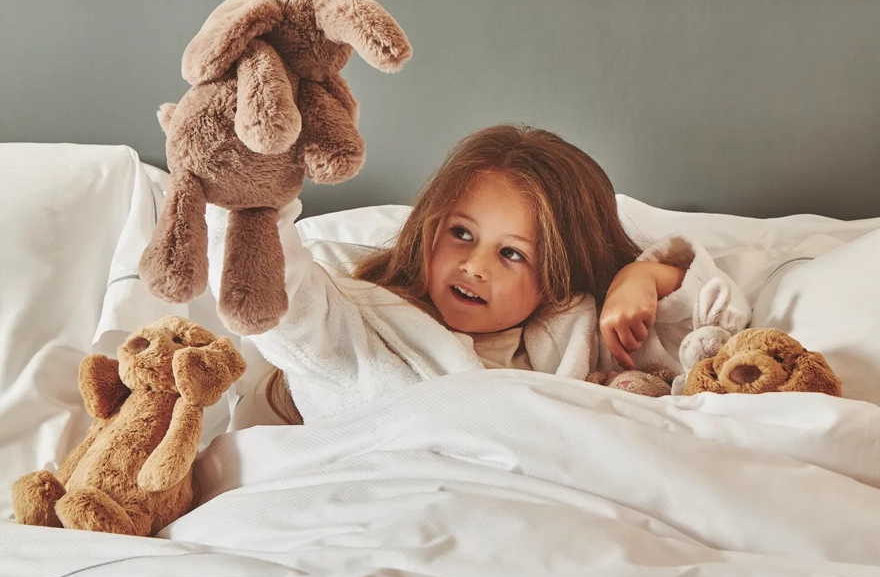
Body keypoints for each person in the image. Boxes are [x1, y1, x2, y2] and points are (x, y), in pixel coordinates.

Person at [205, 124, 749, 424]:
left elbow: (708, 344)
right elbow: (279, 302)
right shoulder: (354, 311)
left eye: (512, 254)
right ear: (430, 227)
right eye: (461, 234)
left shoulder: (576, 332)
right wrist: (253, 194)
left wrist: (647, 277)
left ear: (557, 278)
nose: (474, 265)